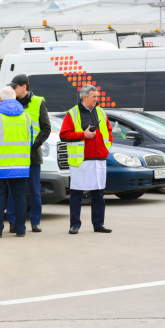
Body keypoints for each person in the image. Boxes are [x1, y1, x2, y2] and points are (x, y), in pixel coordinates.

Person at [59, 84, 113, 234]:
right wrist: (83, 135)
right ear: (85, 97)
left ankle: (98, 224)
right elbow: (64, 135)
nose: (97, 99)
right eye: (94, 97)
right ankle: (75, 224)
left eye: (97, 96)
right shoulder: (72, 113)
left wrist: (106, 148)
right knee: (76, 193)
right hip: (80, 160)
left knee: (99, 193)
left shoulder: (101, 112)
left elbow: (109, 131)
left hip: (99, 159)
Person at [0, 87, 32, 238]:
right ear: (15, 98)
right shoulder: (26, 116)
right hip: (20, 164)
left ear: (0, 99)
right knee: (20, 196)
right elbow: (30, 140)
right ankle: (20, 229)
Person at [6, 74, 51, 233]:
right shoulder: (10, 103)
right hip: (15, 155)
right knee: (13, 190)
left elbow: (46, 129)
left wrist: (33, 145)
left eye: (15, 86)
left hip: (32, 154)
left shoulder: (39, 102)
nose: (12, 89)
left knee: (34, 190)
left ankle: (35, 221)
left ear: (24, 86)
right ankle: (13, 221)